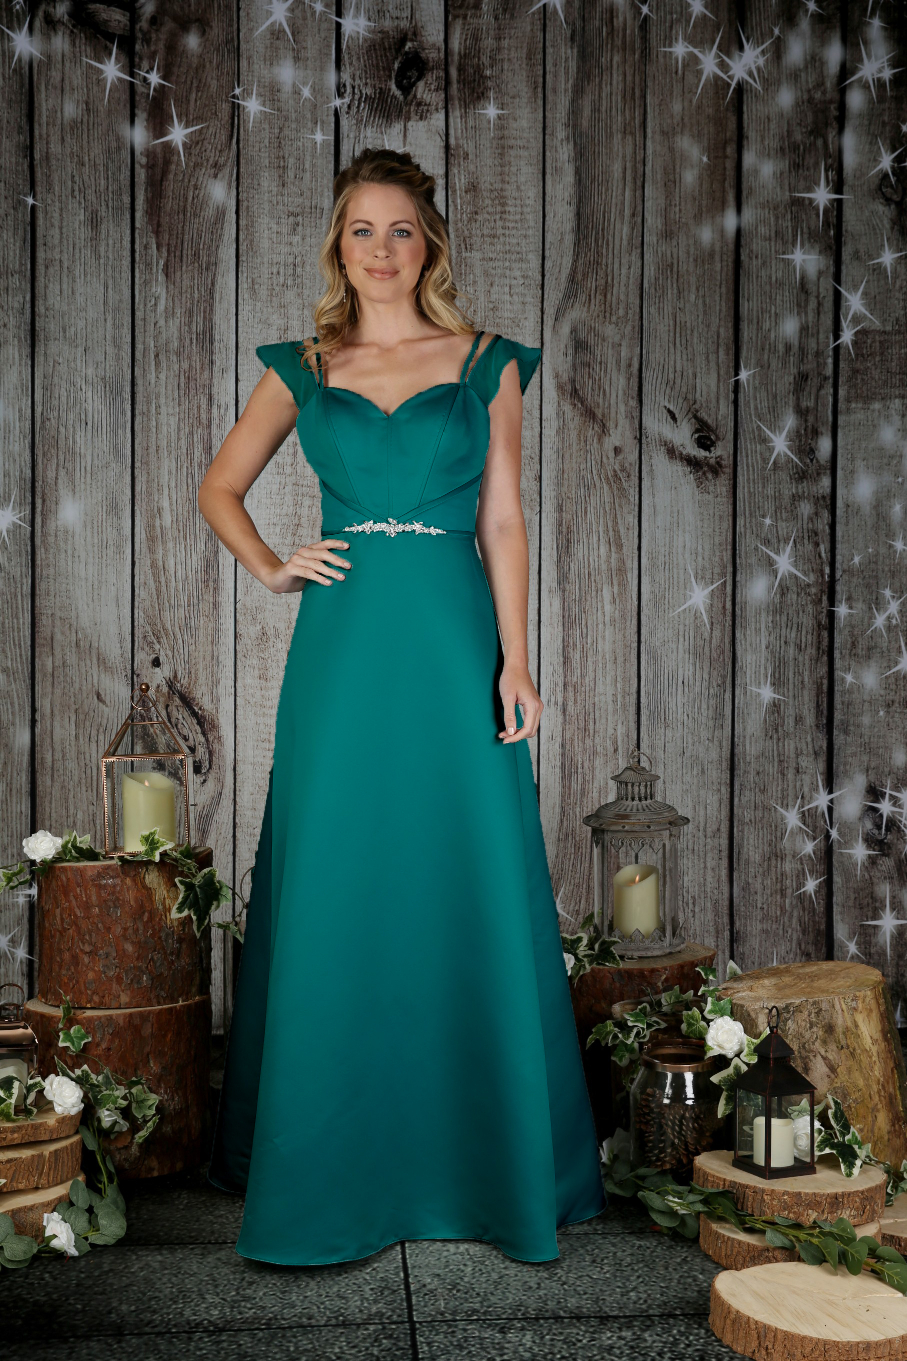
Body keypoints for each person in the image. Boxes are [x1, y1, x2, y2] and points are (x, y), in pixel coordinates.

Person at [198, 147, 605, 1266]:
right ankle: (329, 1164)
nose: (381, 249)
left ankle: (481, 1163)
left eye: (401, 230)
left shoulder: (486, 363)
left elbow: (502, 519)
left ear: (430, 246)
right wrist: (273, 564)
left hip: (449, 639)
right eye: (361, 230)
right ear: (339, 246)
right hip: (342, 650)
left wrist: (515, 661)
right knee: (339, 868)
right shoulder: (303, 366)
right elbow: (218, 487)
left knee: (462, 865)